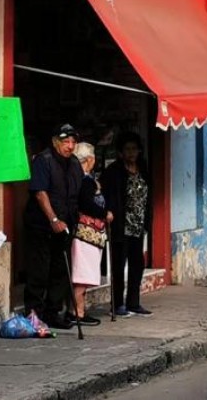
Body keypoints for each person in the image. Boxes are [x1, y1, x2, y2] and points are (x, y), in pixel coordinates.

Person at [23, 123, 83, 329]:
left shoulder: (75, 163)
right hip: (42, 226)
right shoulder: (44, 160)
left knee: (60, 271)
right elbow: (40, 192)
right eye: (66, 142)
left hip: (66, 225)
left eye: (73, 142)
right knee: (39, 270)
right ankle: (34, 313)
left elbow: (78, 193)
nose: (70, 146)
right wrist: (54, 219)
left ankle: (53, 312)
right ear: (56, 142)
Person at [100, 132, 153, 317]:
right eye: (127, 150)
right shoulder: (114, 171)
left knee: (137, 264)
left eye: (134, 149)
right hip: (120, 225)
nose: (131, 153)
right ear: (121, 152)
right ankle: (117, 304)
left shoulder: (143, 168)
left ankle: (134, 302)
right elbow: (108, 196)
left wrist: (147, 221)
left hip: (138, 225)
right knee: (118, 265)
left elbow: (148, 197)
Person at [70, 142, 113, 326]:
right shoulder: (85, 180)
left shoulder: (82, 178)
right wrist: (105, 214)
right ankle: (77, 312)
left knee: (83, 274)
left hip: (87, 234)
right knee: (82, 275)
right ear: (90, 160)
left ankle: (79, 310)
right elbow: (86, 204)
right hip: (85, 234)